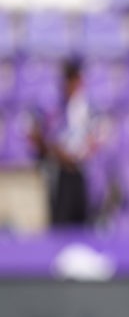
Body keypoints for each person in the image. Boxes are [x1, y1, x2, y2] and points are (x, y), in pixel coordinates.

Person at [27, 57, 97, 227]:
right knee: (60, 218)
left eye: (76, 80)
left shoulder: (84, 106)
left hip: (78, 167)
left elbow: (95, 136)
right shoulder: (50, 103)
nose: (73, 85)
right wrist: (55, 151)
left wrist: (85, 151)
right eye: (70, 80)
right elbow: (34, 133)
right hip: (57, 169)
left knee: (80, 218)